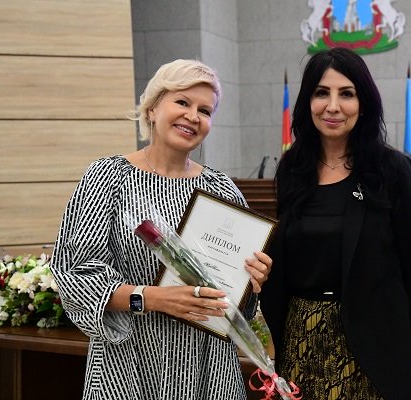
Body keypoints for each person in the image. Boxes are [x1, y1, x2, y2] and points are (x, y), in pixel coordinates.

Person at [50, 59, 272, 400]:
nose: (193, 116)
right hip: (128, 363)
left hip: (209, 368)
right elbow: (76, 276)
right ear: (152, 108)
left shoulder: (222, 190)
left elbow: (237, 307)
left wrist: (253, 278)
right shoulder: (106, 179)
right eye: (182, 102)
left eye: (205, 110)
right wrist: (152, 298)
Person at [259, 48, 411, 400]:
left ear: (364, 102)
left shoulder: (391, 170)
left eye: (346, 94)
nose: (333, 106)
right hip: (300, 345)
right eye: (321, 93)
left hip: (373, 350)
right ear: (308, 101)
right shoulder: (293, 169)